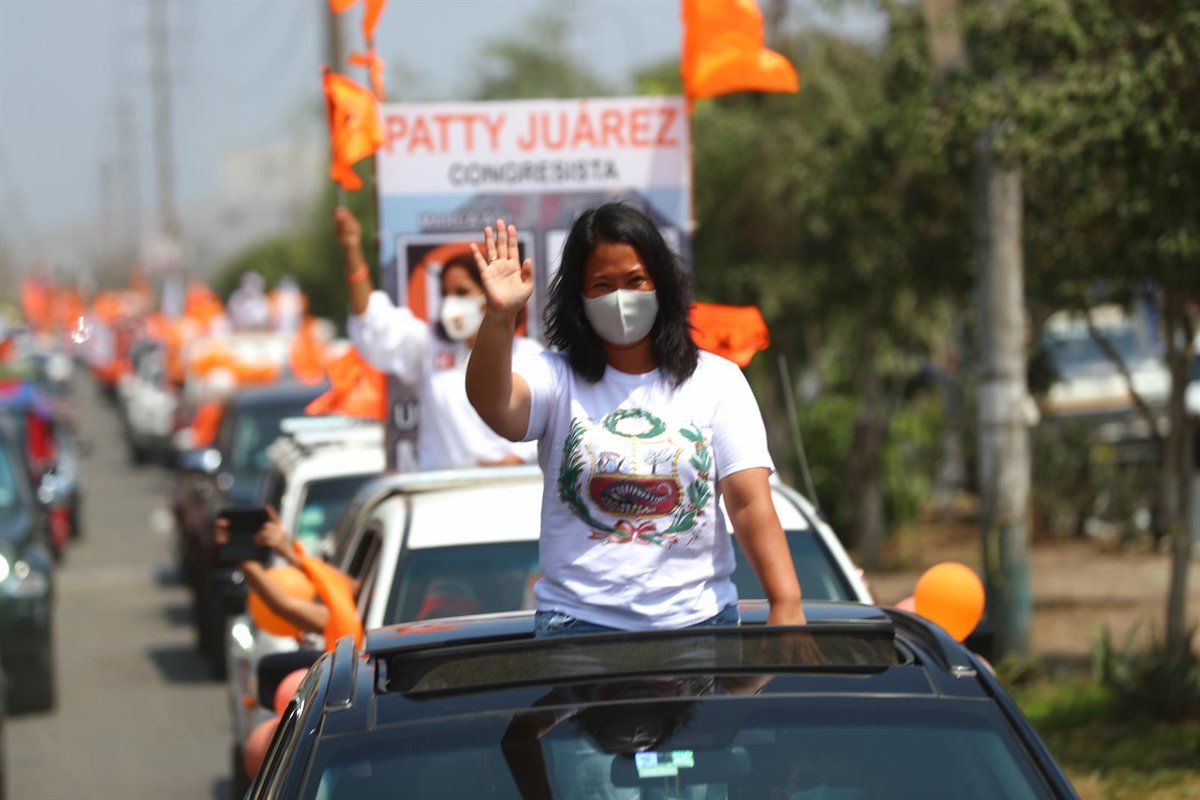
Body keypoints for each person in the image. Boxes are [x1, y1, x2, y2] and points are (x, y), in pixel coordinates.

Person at [465, 204, 805, 635]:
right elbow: (493, 403)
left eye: (634, 281)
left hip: (699, 627)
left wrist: (787, 603)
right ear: (579, 296)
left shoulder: (717, 381)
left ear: (661, 283)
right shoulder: (555, 376)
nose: (620, 298)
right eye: (602, 285)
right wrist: (499, 317)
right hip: (577, 628)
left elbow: (749, 502)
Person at [336, 207, 541, 470]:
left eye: (462, 292)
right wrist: (352, 248)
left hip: (509, 487)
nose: (451, 302)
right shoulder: (428, 345)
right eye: (445, 294)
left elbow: (547, 421)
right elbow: (373, 324)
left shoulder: (528, 356)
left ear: (491, 293)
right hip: (441, 489)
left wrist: (514, 460)